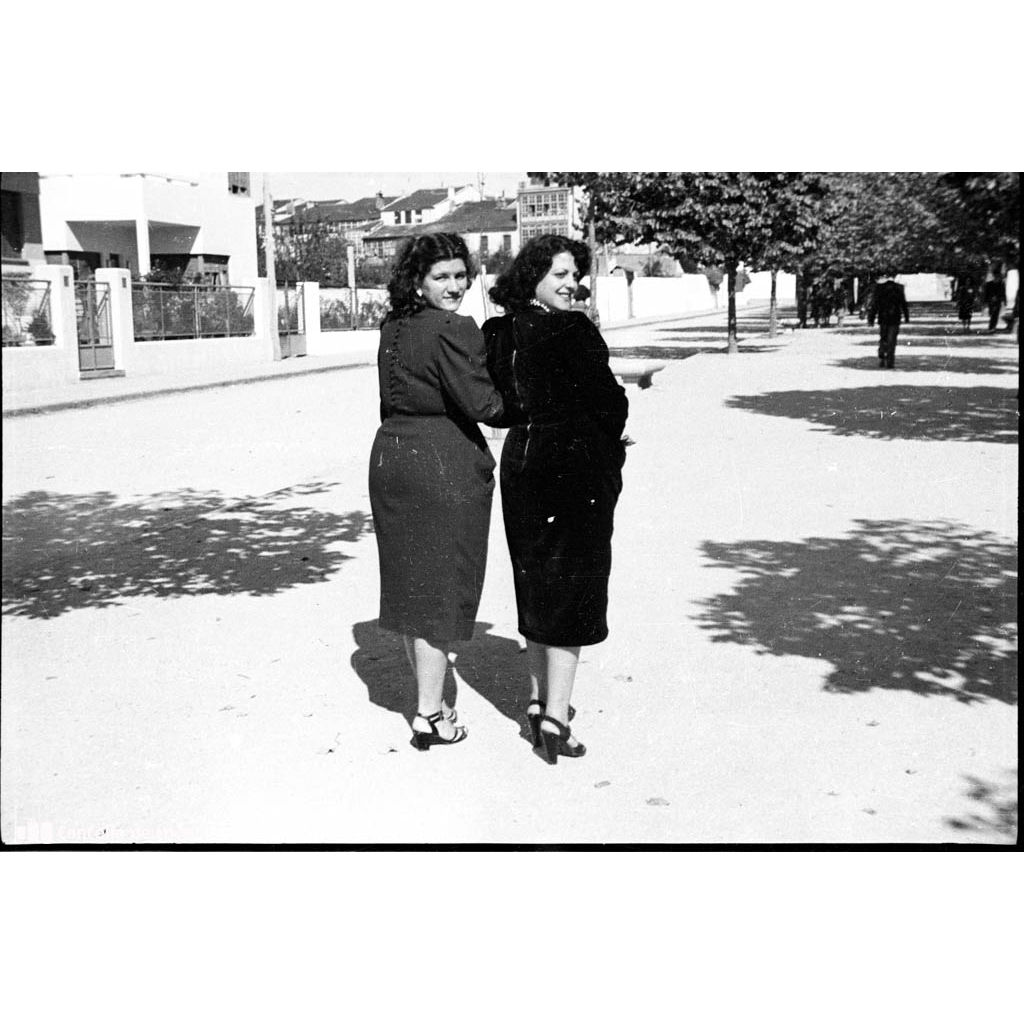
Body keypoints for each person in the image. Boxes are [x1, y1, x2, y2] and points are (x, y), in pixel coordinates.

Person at [484, 235, 629, 765]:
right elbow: (611, 403)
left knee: (535, 579)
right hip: (574, 464)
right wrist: (609, 449)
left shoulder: (498, 331)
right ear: (533, 280)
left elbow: (496, 408)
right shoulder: (574, 328)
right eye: (560, 276)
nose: (572, 284)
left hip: (522, 461)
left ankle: (535, 700)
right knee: (574, 586)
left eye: (574, 275)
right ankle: (555, 717)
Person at [368, 233, 507, 750]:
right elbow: (486, 406)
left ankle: (431, 703)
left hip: (392, 457)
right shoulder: (455, 327)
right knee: (441, 590)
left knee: (411, 587)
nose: (454, 286)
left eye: (459, 275)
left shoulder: (393, 326)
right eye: (441, 277)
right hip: (441, 461)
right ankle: (429, 713)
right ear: (418, 281)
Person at [866, 270, 909, 368]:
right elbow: (903, 303)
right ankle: (890, 360)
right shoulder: (899, 288)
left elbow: (875, 304)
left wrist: (871, 318)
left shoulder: (879, 288)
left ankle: (882, 354)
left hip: (883, 317)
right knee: (892, 339)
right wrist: (906, 316)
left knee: (883, 337)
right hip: (895, 318)